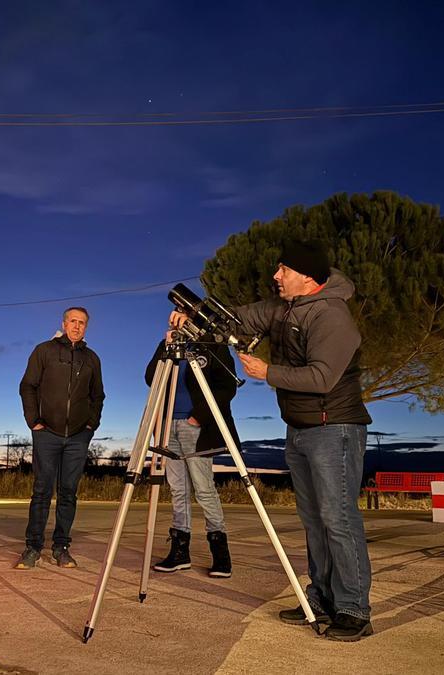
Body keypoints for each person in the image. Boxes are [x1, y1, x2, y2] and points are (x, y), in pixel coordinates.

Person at [170, 240, 374, 641]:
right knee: (314, 521)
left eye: (284, 270)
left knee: (338, 518)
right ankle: (320, 596)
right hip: (300, 428)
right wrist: (192, 315)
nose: (275, 276)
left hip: (335, 428)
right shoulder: (284, 308)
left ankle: (353, 609)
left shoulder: (333, 316)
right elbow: (234, 321)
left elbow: (322, 378)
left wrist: (268, 371)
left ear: (307, 277)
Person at [144, 329, 239, 578]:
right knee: (178, 489)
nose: (176, 318)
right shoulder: (167, 343)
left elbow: (226, 386)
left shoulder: (211, 343)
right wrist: (165, 345)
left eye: (182, 313)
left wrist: (199, 416)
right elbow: (151, 378)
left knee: (204, 489)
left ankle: (220, 555)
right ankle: (179, 552)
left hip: (195, 425)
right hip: (167, 425)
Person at [15, 307, 105, 569]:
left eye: (82, 323)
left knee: (68, 492)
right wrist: (34, 421)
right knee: (42, 490)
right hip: (48, 433)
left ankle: (61, 547)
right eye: (73, 321)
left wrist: (91, 424)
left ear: (86, 327)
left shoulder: (92, 359)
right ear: (64, 323)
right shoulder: (44, 351)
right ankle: (32, 547)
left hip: (78, 436)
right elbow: (27, 386)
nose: (77, 326)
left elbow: (97, 395)